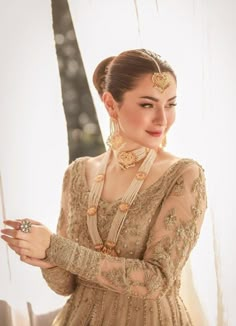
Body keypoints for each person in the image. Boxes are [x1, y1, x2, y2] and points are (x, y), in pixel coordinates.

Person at [1, 49, 207, 325]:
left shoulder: (183, 175)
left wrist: (54, 246)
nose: (162, 118)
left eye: (170, 104)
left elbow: (156, 281)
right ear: (111, 104)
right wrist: (44, 256)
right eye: (148, 105)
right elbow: (66, 286)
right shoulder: (78, 173)